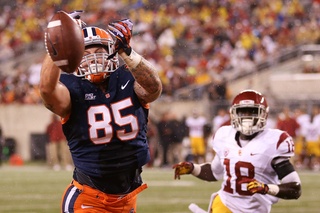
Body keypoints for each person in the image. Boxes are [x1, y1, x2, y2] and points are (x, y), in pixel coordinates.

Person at [39, 14, 162, 213]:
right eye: (85, 53)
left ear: (112, 52)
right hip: (88, 197)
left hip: (127, 199)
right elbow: (46, 89)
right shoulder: (71, 88)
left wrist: (128, 52)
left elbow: (154, 88)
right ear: (75, 57)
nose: (92, 58)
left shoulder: (128, 77)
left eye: (99, 51)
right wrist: (58, 43)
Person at [173, 90, 301, 213]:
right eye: (242, 112)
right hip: (224, 204)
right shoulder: (224, 135)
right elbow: (214, 172)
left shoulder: (273, 142)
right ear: (234, 114)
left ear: (264, 114)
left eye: (252, 112)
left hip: (256, 210)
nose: (247, 117)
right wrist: (193, 168)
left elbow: (295, 189)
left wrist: (266, 188)